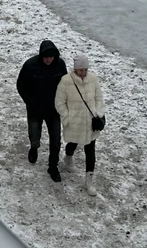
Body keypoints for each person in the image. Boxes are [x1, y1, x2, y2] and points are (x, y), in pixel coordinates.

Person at [16, 40, 67, 182]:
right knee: (34, 134)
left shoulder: (60, 65)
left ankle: (53, 167)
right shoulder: (30, 65)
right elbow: (21, 85)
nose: (48, 60)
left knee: (56, 140)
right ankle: (34, 147)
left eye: (51, 57)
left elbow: (65, 85)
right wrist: (30, 103)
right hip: (35, 110)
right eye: (46, 57)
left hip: (53, 110)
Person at [55, 52, 105, 195]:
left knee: (91, 150)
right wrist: (67, 117)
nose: (83, 73)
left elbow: (98, 97)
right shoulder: (65, 81)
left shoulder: (93, 79)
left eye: (85, 70)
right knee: (73, 143)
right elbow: (59, 102)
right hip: (75, 122)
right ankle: (68, 157)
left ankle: (89, 181)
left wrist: (98, 112)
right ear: (75, 69)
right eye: (80, 70)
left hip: (90, 121)